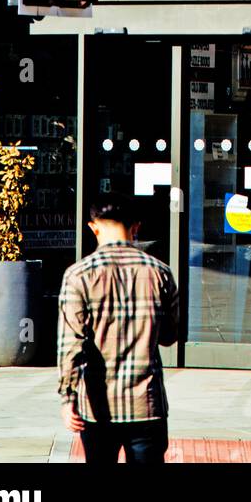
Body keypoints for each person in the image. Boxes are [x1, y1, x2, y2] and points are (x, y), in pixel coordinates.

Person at [57, 193, 179, 465]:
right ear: (136, 227)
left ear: (94, 227)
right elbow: (170, 336)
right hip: (147, 404)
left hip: (98, 406)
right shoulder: (160, 272)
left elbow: (71, 345)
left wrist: (68, 397)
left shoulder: (78, 275)